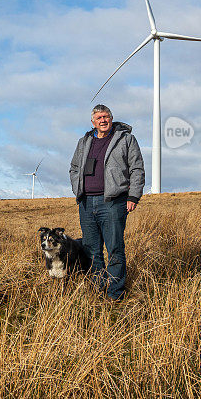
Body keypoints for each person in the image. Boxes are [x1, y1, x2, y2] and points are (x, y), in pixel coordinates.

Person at [69, 104, 145, 300]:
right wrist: (78, 189)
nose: (103, 120)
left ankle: (115, 293)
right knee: (92, 250)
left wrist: (133, 196)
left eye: (106, 117)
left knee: (115, 248)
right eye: (99, 118)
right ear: (93, 122)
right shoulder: (84, 141)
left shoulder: (125, 139)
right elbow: (74, 168)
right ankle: (99, 290)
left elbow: (137, 168)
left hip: (113, 202)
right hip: (86, 203)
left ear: (111, 118)